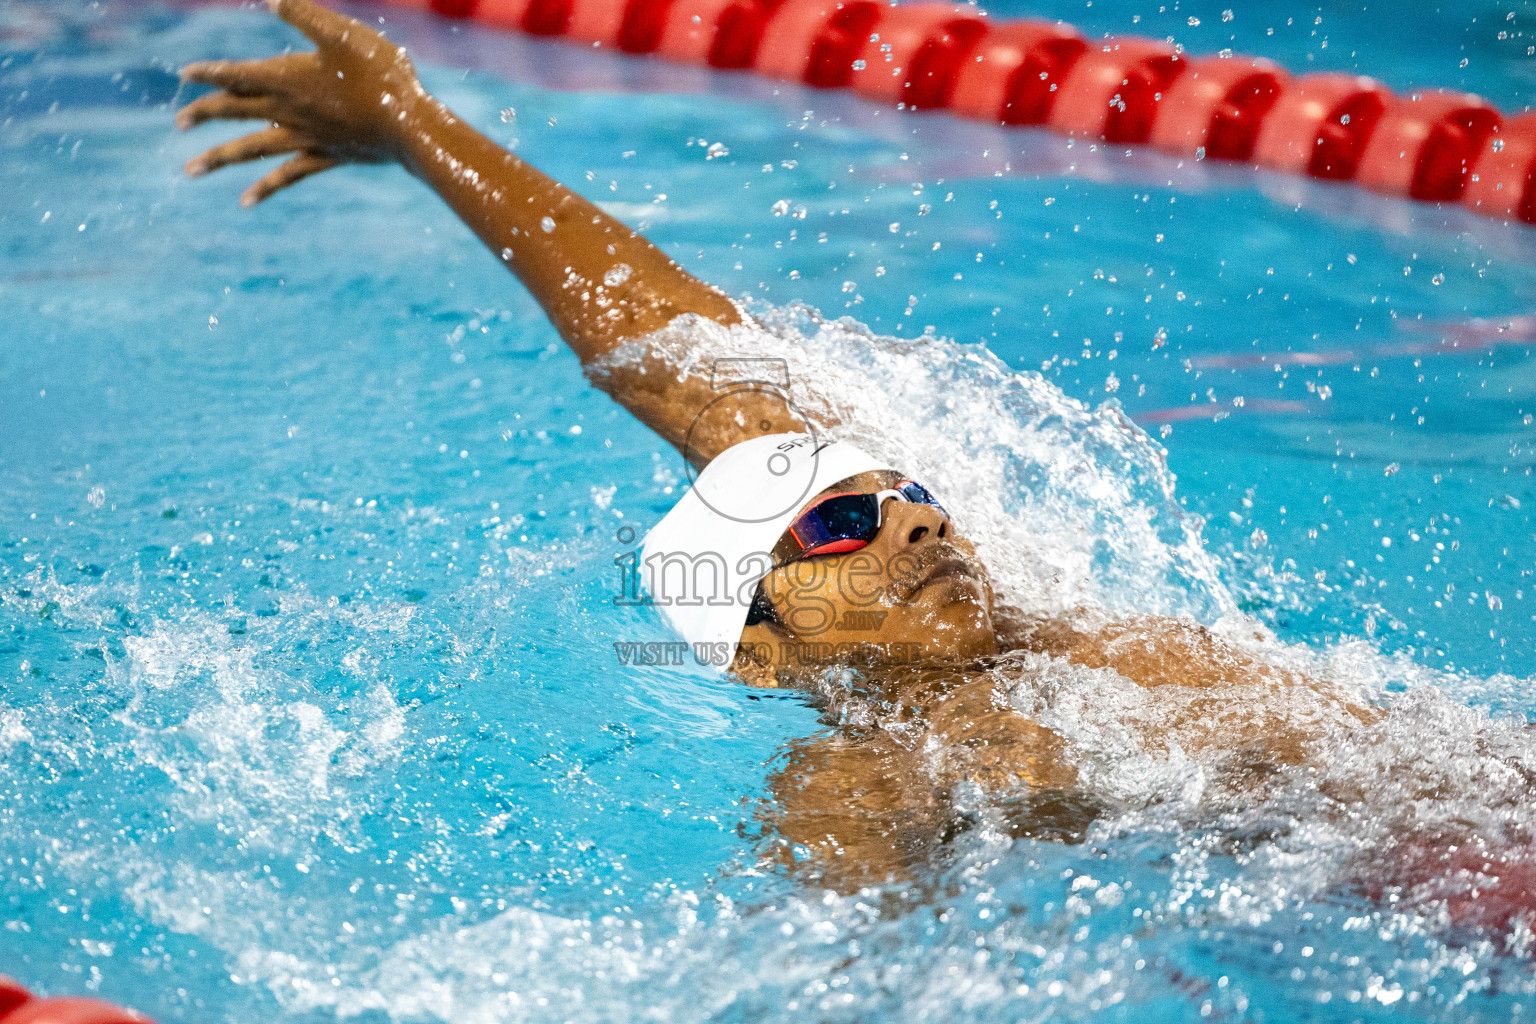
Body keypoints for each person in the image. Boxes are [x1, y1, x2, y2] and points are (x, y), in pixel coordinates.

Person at [177, 0, 1524, 906]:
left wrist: (423, 129)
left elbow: (672, 353)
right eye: (837, 529)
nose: (918, 525)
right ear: (762, 647)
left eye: (914, 498)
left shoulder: (1035, 628)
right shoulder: (871, 772)